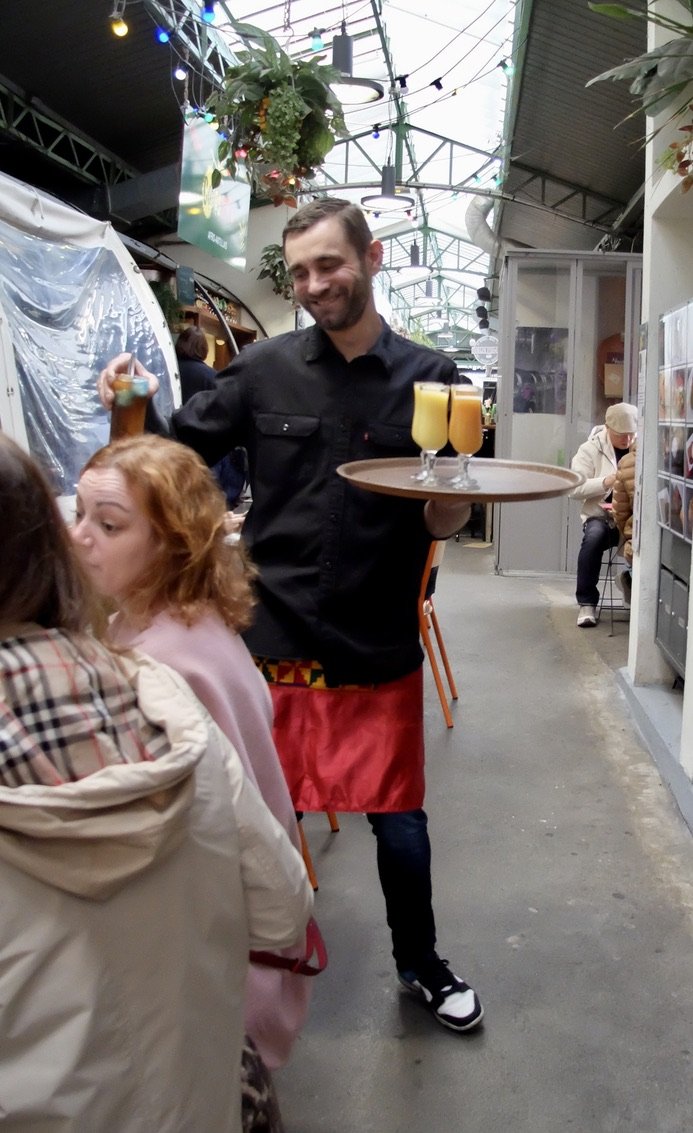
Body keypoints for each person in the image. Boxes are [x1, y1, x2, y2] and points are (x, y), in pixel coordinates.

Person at [98, 197, 483, 1034]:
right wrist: (128, 403)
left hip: (374, 635)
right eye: (301, 270)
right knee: (254, 813)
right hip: (269, 636)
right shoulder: (264, 370)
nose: (314, 285)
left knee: (399, 818)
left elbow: (443, 516)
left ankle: (418, 961)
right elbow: (168, 450)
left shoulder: (433, 379)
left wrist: (453, 502)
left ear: (371, 258)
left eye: (329, 265)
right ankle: (242, 963)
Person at [0, 432, 313, 1132]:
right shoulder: (179, 629)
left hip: (212, 979)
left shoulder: (165, 673)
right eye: (74, 517)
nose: (80, 540)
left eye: (108, 524)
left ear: (174, 543)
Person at [569, 402, 637, 627]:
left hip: (631, 517)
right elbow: (575, 488)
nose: (626, 441)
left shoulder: (641, 448)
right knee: (594, 538)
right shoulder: (590, 449)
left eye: (631, 435)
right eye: (621, 436)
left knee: (647, 539)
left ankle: (629, 581)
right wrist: (607, 481)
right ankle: (587, 602)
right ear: (607, 428)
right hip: (602, 515)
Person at [175, 324, 248, 508]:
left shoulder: (169, 368)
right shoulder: (211, 375)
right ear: (203, 348)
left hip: (174, 441)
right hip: (202, 445)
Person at [612, 441, 637, 606]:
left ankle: (628, 577)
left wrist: (628, 532)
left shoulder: (627, 461)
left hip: (636, 540)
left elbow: (620, 512)